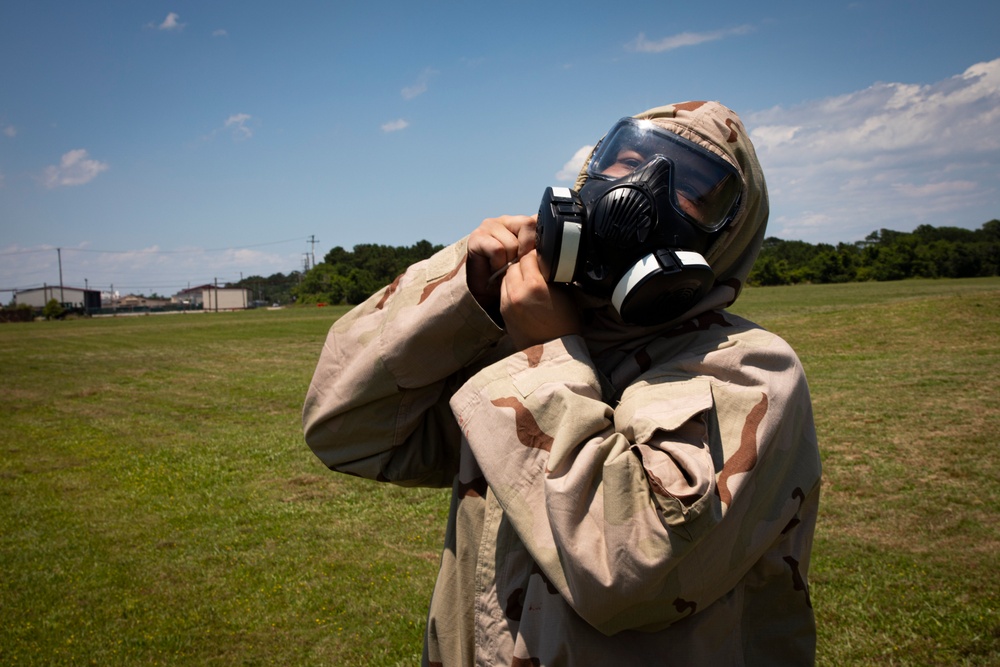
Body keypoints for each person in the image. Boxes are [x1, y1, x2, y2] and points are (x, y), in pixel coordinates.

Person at [303, 100, 822, 666]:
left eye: (692, 192)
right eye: (624, 163)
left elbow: (624, 571)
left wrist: (543, 354)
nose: (641, 191)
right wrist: (465, 289)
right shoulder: (521, 335)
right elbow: (345, 428)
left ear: (729, 240)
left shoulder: (750, 368)